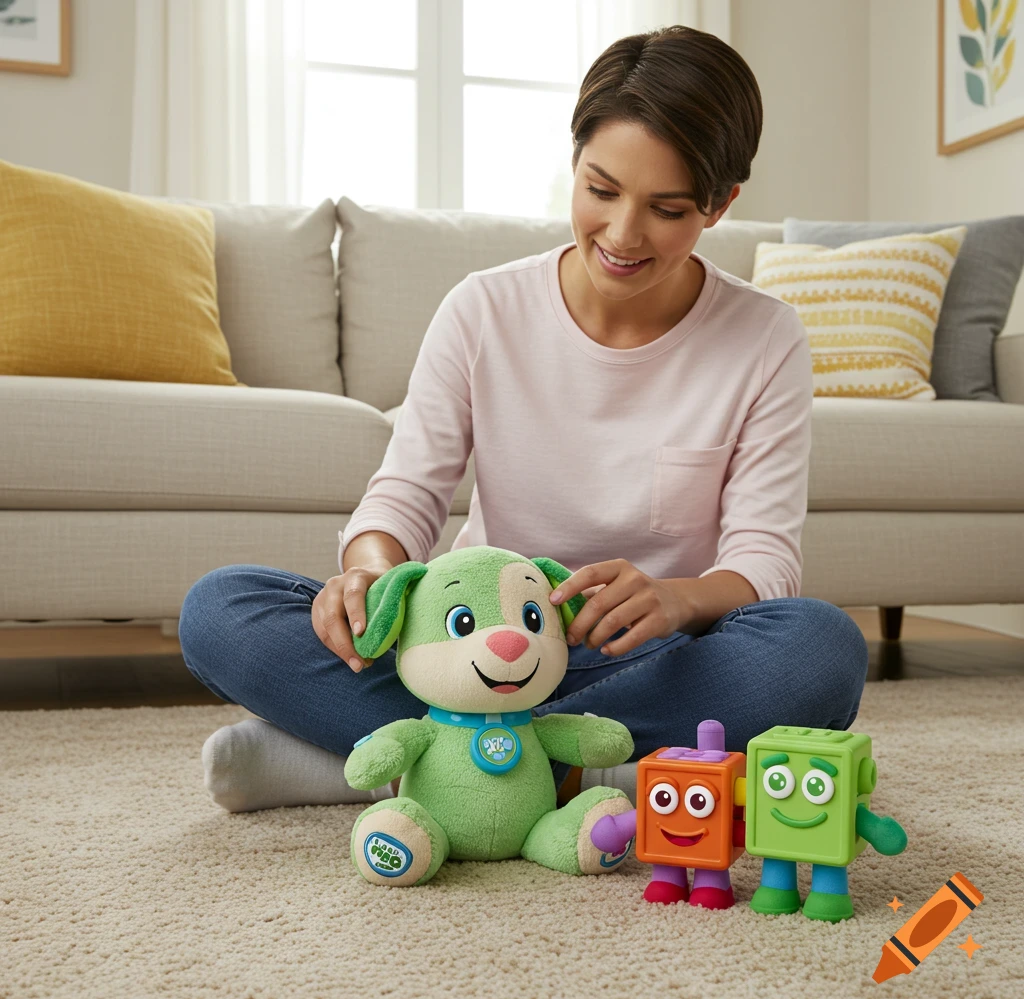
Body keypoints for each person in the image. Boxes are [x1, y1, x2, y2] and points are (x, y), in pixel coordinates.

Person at [179, 26, 867, 818]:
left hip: (647, 658)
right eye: (601, 190)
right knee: (220, 609)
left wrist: (678, 599)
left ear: (720, 205)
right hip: (473, 646)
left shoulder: (766, 336)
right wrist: (368, 572)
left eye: (666, 209)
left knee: (821, 648)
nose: (622, 234)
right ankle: (589, 771)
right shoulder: (484, 308)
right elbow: (405, 496)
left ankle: (419, 760)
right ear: (573, 164)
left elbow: (764, 561)